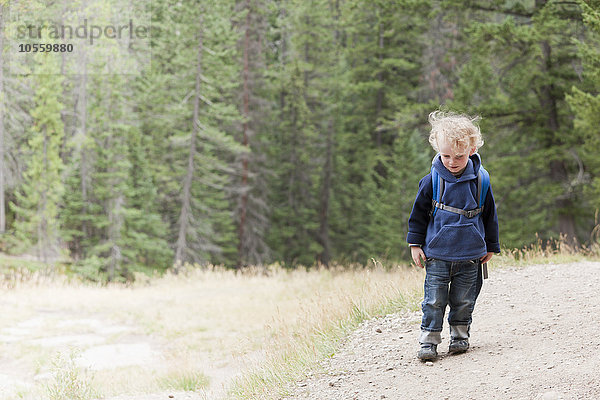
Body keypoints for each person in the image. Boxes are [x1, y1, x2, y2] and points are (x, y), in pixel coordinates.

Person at [406, 110, 500, 361]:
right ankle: (429, 341)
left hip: (471, 254)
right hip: (437, 254)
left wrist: (490, 245)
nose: (451, 161)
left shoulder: (481, 180)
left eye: (458, 156)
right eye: (445, 155)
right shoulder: (431, 181)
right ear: (437, 149)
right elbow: (417, 216)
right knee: (434, 300)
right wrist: (415, 244)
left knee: (464, 299)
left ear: (471, 149)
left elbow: (489, 215)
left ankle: (460, 335)